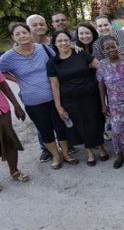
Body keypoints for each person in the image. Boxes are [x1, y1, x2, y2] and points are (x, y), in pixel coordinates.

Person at [0, 23, 75, 169]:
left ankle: (66, 153)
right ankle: (56, 156)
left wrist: (74, 48)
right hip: (33, 101)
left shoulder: (43, 49)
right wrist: (16, 79)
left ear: (29, 33)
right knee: (44, 130)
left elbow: (60, 58)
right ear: (13, 37)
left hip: (54, 97)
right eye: (18, 34)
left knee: (61, 127)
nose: (22, 36)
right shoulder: (9, 57)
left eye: (24, 32)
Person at [47, 30, 107, 166]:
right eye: (60, 41)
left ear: (71, 41)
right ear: (55, 44)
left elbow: (99, 65)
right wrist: (58, 106)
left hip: (91, 96)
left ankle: (101, 147)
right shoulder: (52, 63)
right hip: (70, 100)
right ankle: (89, 152)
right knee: (81, 125)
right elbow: (54, 85)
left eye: (66, 40)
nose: (63, 43)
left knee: (96, 122)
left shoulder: (81, 54)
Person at [96, 36, 124, 169]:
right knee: (117, 130)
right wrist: (103, 104)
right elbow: (101, 86)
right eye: (107, 48)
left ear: (118, 45)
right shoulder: (101, 64)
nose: (111, 49)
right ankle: (120, 155)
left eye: (113, 46)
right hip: (114, 104)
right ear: (103, 51)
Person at [0, 72, 29, 185]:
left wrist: (17, 106)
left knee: (9, 139)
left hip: (2, 111)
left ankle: (14, 171)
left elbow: (4, 85)